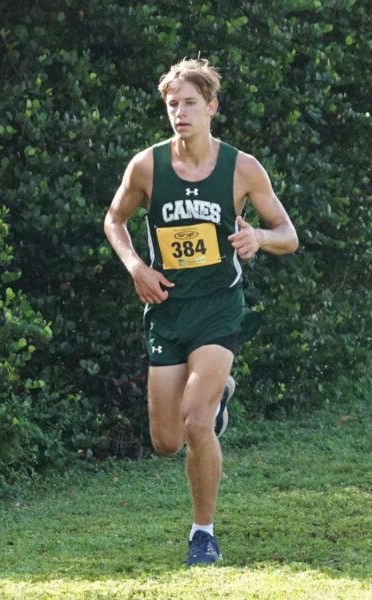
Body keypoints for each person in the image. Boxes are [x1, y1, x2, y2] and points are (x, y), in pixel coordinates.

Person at [104, 58, 299, 564]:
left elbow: (288, 234)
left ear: (212, 107)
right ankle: (216, 409)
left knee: (195, 421)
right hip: (167, 310)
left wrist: (257, 236)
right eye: (173, 105)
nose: (180, 112)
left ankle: (203, 534)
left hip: (218, 311)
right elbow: (115, 220)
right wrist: (135, 268)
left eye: (190, 103)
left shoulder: (242, 168)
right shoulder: (146, 166)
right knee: (167, 441)